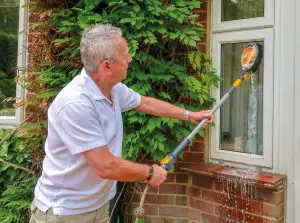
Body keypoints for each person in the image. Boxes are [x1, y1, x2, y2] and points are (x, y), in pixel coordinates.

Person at [29, 24, 214, 223]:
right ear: (107, 65)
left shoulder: (113, 89)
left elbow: (146, 102)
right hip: (64, 213)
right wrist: (149, 172)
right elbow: (105, 166)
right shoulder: (76, 103)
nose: (130, 59)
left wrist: (189, 115)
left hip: (98, 207)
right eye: (125, 55)